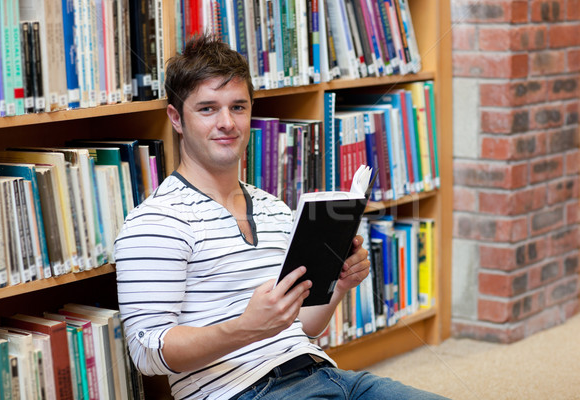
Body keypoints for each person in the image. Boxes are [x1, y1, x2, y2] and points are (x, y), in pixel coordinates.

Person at [114, 35, 449, 400]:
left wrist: (337, 286)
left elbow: (303, 325)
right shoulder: (154, 222)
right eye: (207, 109)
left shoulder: (275, 208)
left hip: (328, 375)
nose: (227, 122)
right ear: (176, 118)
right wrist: (246, 328)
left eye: (238, 107)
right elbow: (147, 352)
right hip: (242, 391)